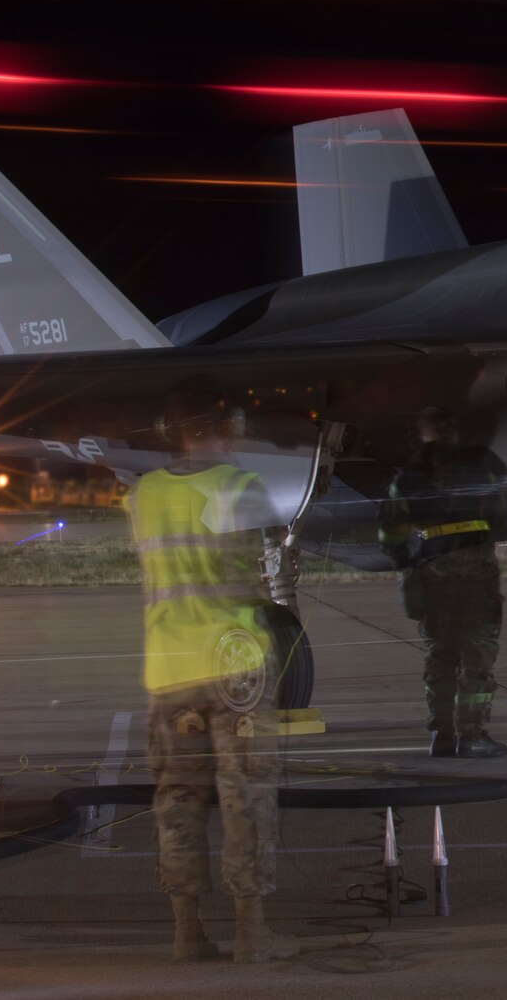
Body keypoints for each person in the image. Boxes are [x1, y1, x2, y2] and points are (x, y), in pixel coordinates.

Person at [126, 377, 301, 964]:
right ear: (222, 428)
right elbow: (256, 574)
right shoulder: (238, 487)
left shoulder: (142, 494)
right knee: (244, 795)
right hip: (234, 663)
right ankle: (251, 931)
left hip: (169, 667)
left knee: (177, 798)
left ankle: (186, 932)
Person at [382, 406, 507, 758]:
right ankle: (471, 733)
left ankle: (441, 734)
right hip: (477, 573)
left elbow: (389, 533)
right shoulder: (483, 466)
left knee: (441, 655)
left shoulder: (409, 476)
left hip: (432, 572)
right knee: (478, 655)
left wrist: (410, 562)